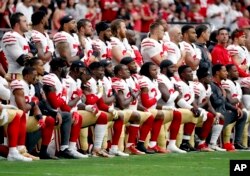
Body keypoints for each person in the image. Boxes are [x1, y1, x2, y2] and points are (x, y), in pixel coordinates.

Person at [10, 66, 55, 160]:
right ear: (26, 76)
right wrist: (33, 102)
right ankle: (21, 152)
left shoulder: (32, 87)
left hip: (25, 120)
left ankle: (43, 152)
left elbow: (35, 107)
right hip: (15, 120)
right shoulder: (19, 85)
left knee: (49, 120)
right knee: (12, 150)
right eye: (34, 75)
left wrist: (40, 118)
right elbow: (23, 108)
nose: (36, 78)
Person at [42, 58, 84, 158]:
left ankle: (66, 148)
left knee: (70, 115)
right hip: (47, 110)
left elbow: (62, 104)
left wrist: (73, 111)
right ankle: (61, 148)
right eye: (65, 68)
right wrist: (64, 97)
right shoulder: (50, 78)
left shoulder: (59, 80)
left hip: (55, 111)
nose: (67, 71)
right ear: (59, 68)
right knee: (65, 116)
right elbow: (55, 104)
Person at [210, 64, 247, 151]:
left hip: (222, 112)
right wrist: (223, 95)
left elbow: (225, 103)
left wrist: (235, 108)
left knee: (243, 114)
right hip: (216, 113)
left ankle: (237, 142)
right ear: (217, 73)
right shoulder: (212, 85)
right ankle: (213, 141)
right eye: (224, 71)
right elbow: (216, 102)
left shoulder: (219, 85)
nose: (226, 73)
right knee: (226, 115)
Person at [195, 67, 225, 151]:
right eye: (209, 77)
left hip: (200, 110)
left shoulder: (208, 87)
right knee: (210, 116)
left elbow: (209, 105)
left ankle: (213, 143)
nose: (211, 79)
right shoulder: (198, 86)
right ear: (203, 79)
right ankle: (201, 144)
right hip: (193, 109)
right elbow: (196, 105)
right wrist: (206, 102)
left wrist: (216, 114)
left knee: (220, 117)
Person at [221, 64, 249, 149]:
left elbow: (239, 101)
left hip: (235, 110)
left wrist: (243, 108)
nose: (237, 73)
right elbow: (229, 100)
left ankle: (237, 142)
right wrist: (237, 99)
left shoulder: (237, 84)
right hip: (227, 109)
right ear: (228, 73)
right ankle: (219, 142)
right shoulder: (225, 82)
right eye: (235, 71)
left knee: (244, 114)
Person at [2, 12, 35, 81]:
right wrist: (32, 55)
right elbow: (22, 60)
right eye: (24, 21)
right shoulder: (10, 36)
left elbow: (35, 49)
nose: (27, 23)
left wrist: (30, 54)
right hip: (16, 75)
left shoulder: (25, 37)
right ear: (17, 24)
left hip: (26, 75)